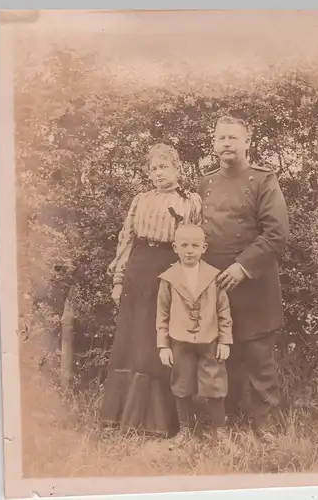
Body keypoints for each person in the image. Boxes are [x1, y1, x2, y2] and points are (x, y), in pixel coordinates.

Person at [100, 143, 202, 437]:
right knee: (132, 339)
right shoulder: (140, 200)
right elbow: (127, 241)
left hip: (169, 270)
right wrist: (119, 280)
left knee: (158, 339)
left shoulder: (190, 202)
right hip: (138, 270)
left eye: (164, 167)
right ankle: (123, 418)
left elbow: (195, 242)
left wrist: (189, 282)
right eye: (153, 168)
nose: (158, 173)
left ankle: (158, 422)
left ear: (178, 169)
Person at [198, 115, 289, 437]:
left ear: (247, 143)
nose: (227, 144)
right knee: (224, 351)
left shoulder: (264, 180)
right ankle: (229, 418)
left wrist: (242, 266)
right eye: (221, 138)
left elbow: (277, 233)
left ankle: (265, 424)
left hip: (253, 281)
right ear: (214, 143)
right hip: (215, 283)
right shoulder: (205, 184)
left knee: (259, 355)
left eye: (233, 138)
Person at [156, 224, 233, 445]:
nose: (189, 250)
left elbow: (223, 311)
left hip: (210, 340)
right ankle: (185, 431)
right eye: (184, 245)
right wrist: (163, 345)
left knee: (215, 384)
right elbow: (161, 314)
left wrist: (225, 341)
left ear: (204, 248)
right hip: (179, 341)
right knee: (182, 385)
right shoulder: (168, 279)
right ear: (175, 247)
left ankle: (220, 432)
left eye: (195, 245)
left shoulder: (214, 276)